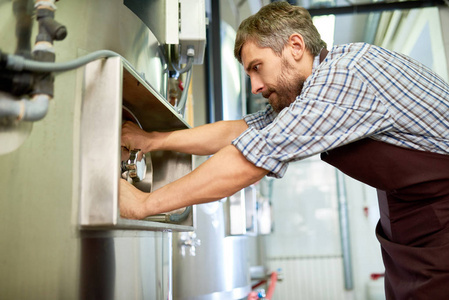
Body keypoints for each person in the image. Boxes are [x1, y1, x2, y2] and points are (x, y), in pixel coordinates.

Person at [120, 2, 449, 299]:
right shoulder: (315, 86)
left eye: (257, 67)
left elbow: (252, 158)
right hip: (414, 229)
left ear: (295, 46)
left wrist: (145, 204)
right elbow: (241, 130)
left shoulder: (342, 78)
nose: (255, 87)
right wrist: (155, 140)